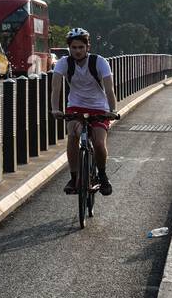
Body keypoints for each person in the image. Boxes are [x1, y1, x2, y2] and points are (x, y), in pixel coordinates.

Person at [50, 27, 120, 197]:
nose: (77, 51)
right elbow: (56, 88)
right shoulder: (63, 63)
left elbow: (109, 90)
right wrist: (55, 109)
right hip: (75, 106)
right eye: (74, 47)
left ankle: (102, 176)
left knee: (98, 141)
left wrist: (112, 110)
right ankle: (74, 178)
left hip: (99, 107)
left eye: (81, 47)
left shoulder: (99, 62)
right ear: (69, 48)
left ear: (88, 47)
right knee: (73, 135)